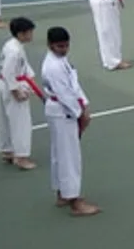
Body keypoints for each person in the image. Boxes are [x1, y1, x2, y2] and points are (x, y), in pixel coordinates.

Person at [39, 27, 98, 215]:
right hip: (63, 111)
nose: (63, 49)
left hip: (61, 110)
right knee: (70, 156)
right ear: (49, 45)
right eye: (59, 46)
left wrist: (84, 105)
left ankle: (62, 193)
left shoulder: (60, 61)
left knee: (60, 153)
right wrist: (80, 113)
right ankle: (74, 201)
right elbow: (65, 94)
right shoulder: (53, 66)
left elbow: (74, 85)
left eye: (65, 46)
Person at [0, 18, 39, 170]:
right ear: (21, 34)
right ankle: (21, 157)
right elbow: (9, 71)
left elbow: (21, 67)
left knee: (6, 120)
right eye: (29, 32)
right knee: (21, 122)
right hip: (12, 84)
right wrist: (16, 91)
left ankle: (7, 150)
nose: (31, 35)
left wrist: (30, 78)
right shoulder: (14, 51)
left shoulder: (11, 45)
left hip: (4, 84)